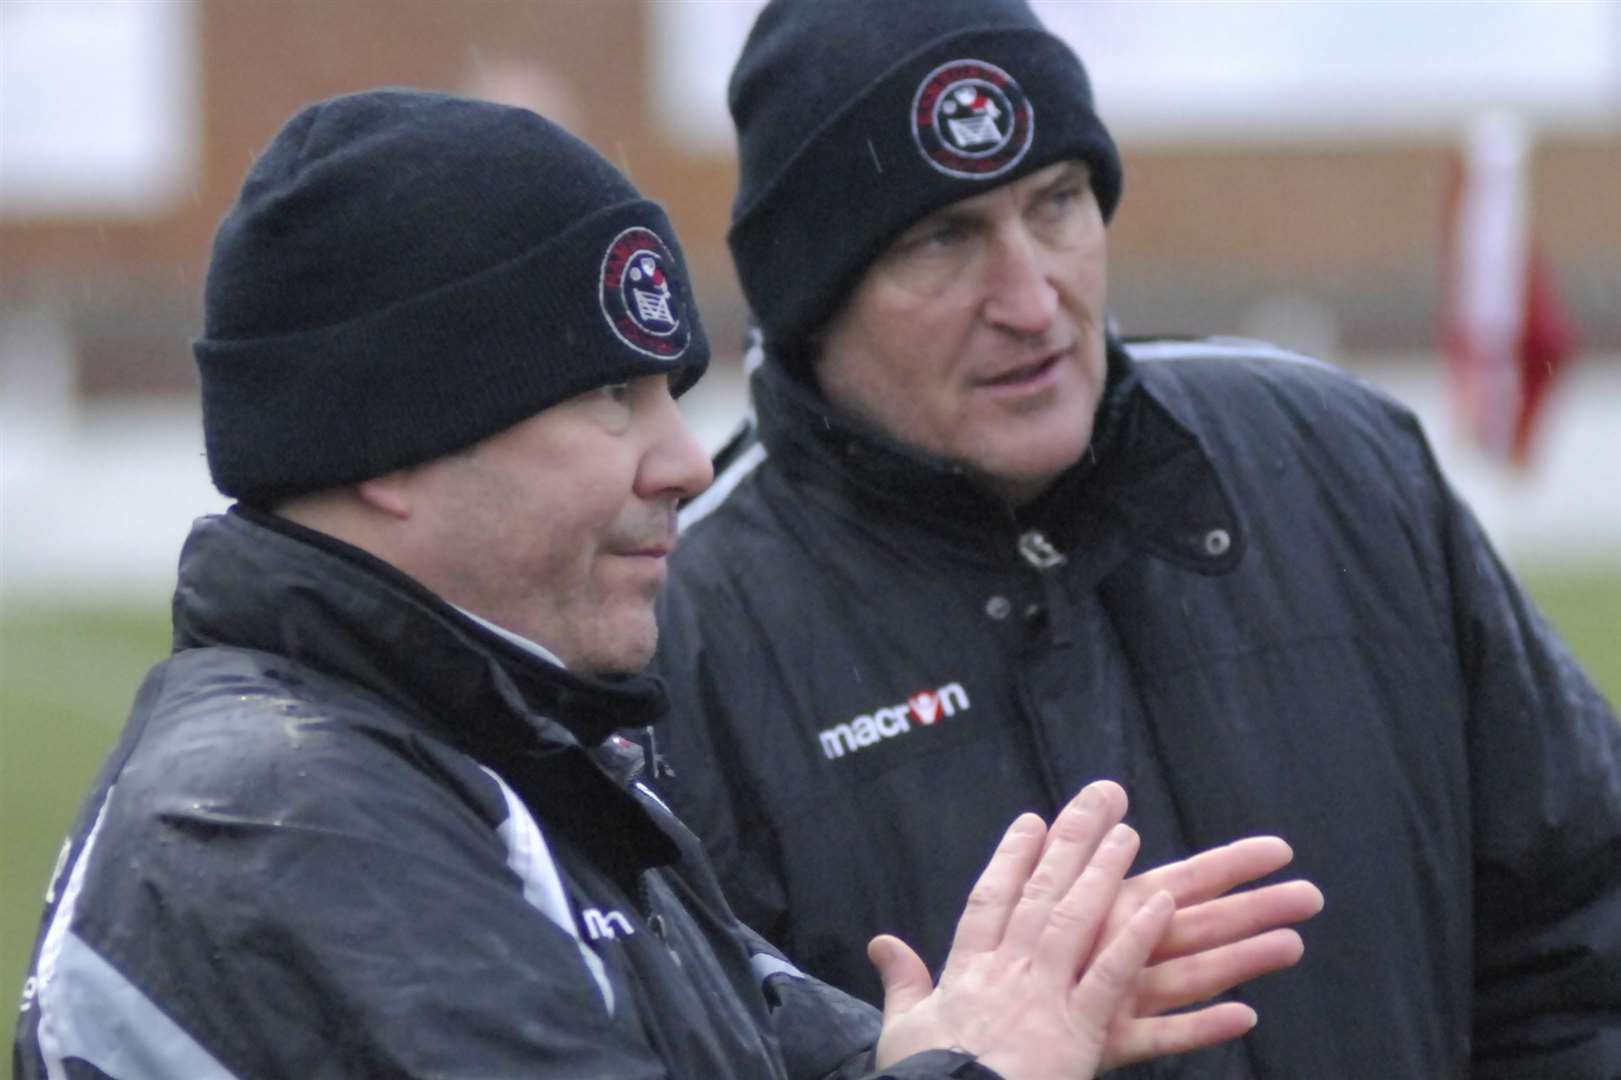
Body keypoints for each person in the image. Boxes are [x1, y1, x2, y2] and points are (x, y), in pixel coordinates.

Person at [12, 89, 1321, 1080]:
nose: (685, 463)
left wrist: (913, 1045)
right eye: (609, 398)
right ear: (389, 454)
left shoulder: (504, 743)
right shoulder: (285, 828)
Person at [651, 0, 1621, 1076]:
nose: (1031, 298)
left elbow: (1579, 949)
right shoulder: (682, 631)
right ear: (807, 298)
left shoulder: (1339, 463)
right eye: (943, 238)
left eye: (1056, 203)